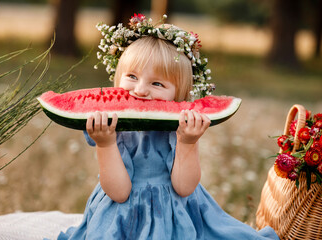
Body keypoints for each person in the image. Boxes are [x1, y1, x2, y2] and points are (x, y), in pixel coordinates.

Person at [51, 14, 279, 240]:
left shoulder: (180, 128)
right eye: (131, 76)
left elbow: (184, 187)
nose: (140, 90)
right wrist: (105, 143)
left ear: (179, 95)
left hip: (174, 215)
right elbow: (119, 193)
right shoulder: (110, 128)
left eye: (157, 83)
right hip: (122, 216)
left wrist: (187, 142)